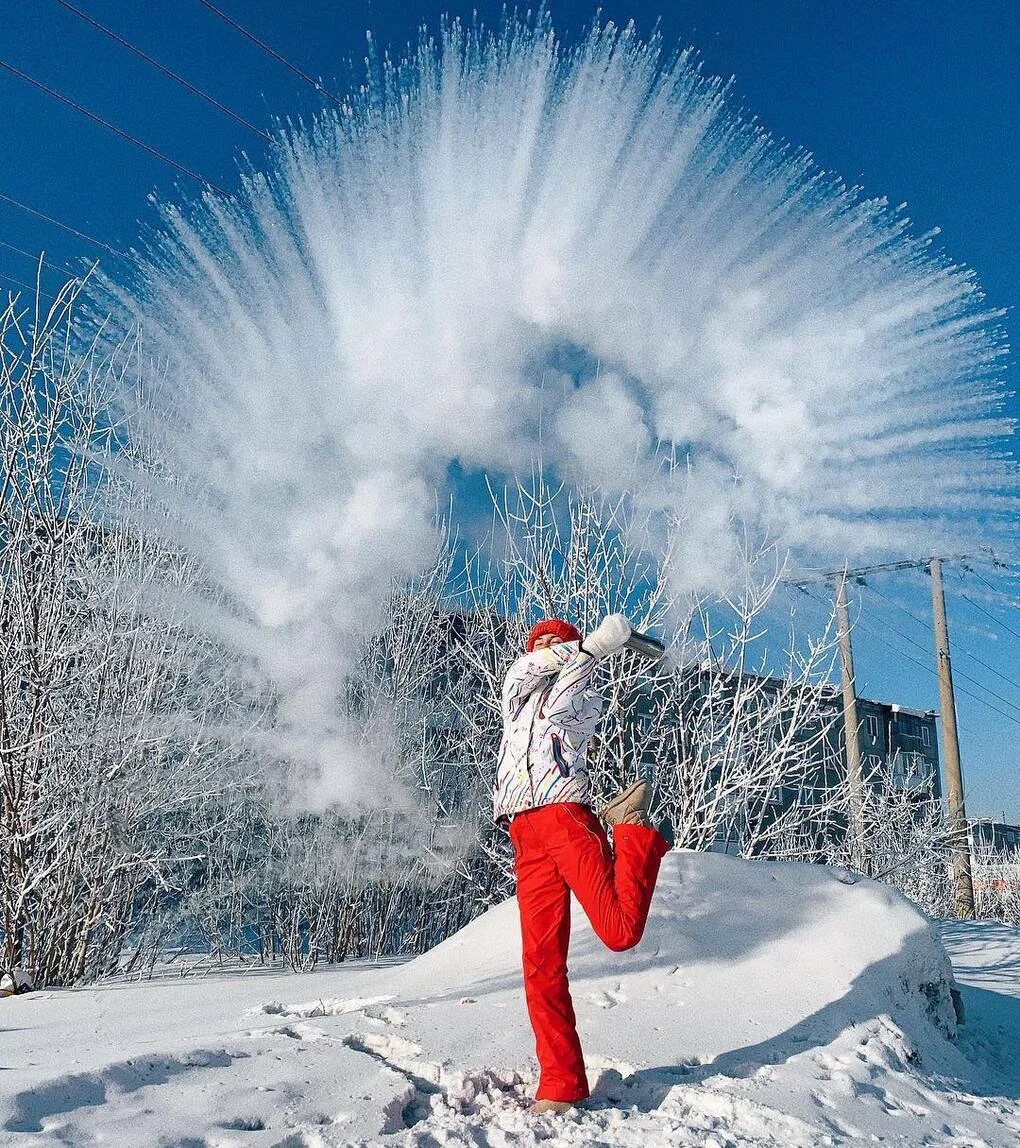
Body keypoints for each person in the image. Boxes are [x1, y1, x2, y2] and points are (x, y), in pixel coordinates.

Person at [495, 614, 670, 1114]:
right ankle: (562, 1084)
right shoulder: (516, 698)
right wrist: (587, 644)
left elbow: (570, 676)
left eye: (558, 641)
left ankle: (631, 827)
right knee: (540, 964)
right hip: (523, 832)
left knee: (619, 933)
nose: (546, 649)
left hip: (566, 818)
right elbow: (521, 672)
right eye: (540, 642)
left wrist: (594, 650)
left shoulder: (577, 692)